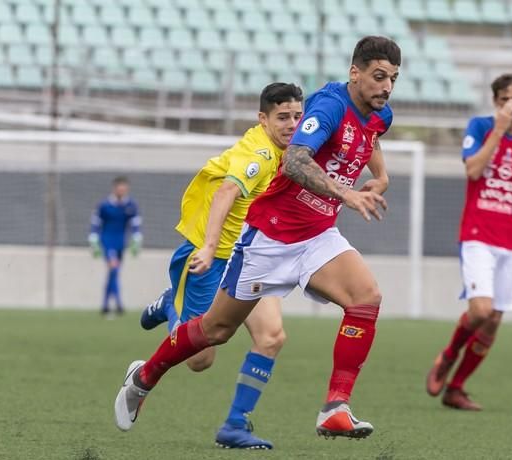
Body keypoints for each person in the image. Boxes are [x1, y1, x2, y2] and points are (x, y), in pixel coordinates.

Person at [114, 35, 401, 441]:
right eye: (378, 76)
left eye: (392, 78)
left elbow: (371, 134)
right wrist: (346, 193)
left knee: (366, 299)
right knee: (214, 332)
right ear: (355, 73)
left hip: (317, 236)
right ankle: (143, 378)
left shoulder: (379, 112)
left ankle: (335, 407)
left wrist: (382, 177)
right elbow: (297, 159)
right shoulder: (330, 104)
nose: (386, 87)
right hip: (270, 237)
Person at [137, 82, 304, 449]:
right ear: (263, 119)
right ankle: (170, 305)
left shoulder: (293, 148)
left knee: (272, 336)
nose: (293, 123)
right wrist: (210, 247)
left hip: (251, 259)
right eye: (283, 117)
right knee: (201, 360)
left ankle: (234, 426)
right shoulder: (259, 152)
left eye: (297, 115)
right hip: (212, 256)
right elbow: (227, 192)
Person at [425, 71, 512, 410]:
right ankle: (448, 354)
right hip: (477, 234)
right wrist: (499, 130)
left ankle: (456, 387)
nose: (510, 105)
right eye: (503, 100)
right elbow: (472, 170)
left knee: (495, 318)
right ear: (495, 101)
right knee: (481, 310)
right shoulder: (480, 126)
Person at [89, 176, 142, 316]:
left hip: (120, 243)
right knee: (113, 268)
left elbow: (135, 224)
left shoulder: (130, 205)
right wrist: (93, 240)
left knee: (114, 272)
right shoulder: (105, 205)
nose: (122, 191)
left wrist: (137, 239)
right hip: (107, 241)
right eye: (120, 188)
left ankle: (105, 306)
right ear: (115, 188)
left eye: (124, 188)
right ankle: (118, 304)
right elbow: (96, 223)